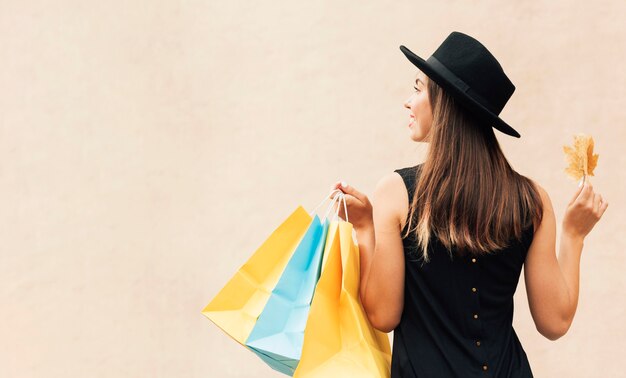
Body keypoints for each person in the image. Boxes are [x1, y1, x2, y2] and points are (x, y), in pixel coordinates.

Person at [329, 31, 609, 377]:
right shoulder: (532, 201)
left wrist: (364, 228)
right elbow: (555, 321)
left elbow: (383, 316)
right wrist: (574, 235)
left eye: (418, 89)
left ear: (444, 101)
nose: (408, 101)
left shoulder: (397, 192)